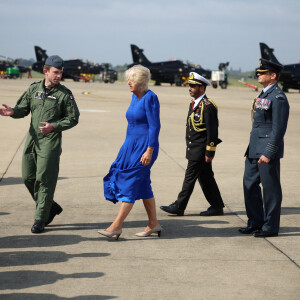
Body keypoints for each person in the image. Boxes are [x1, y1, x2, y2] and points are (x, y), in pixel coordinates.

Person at [0, 55, 80, 234]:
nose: (59, 76)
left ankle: (40, 218)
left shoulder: (64, 94)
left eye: (60, 73)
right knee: (28, 177)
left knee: (44, 180)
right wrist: (12, 111)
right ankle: (49, 206)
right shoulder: (33, 89)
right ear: (46, 71)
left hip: (50, 142)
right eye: (55, 72)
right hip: (32, 139)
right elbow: (23, 109)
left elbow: (73, 118)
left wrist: (54, 126)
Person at [98, 65, 161, 240]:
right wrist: (126, 147)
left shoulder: (151, 98)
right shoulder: (134, 97)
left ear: (142, 81)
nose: (129, 82)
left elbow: (155, 127)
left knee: (130, 183)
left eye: (132, 79)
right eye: (128, 79)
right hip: (130, 145)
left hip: (144, 147)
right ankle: (154, 224)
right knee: (143, 185)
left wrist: (149, 150)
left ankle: (116, 226)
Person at [160, 72, 224, 217]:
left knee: (190, 177)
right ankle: (217, 206)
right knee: (206, 178)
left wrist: (210, 152)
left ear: (202, 88)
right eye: (189, 85)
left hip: (200, 150)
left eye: (193, 86)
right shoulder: (195, 104)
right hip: (194, 148)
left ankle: (179, 206)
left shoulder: (208, 106)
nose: (189, 88)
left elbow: (212, 131)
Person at [239, 59, 289, 238]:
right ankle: (255, 222)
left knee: (270, 190)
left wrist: (269, 152)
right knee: (249, 185)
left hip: (267, 150)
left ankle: (270, 227)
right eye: (258, 72)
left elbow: (278, 128)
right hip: (253, 149)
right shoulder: (264, 94)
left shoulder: (278, 97)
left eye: (262, 72)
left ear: (273, 76)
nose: (258, 74)